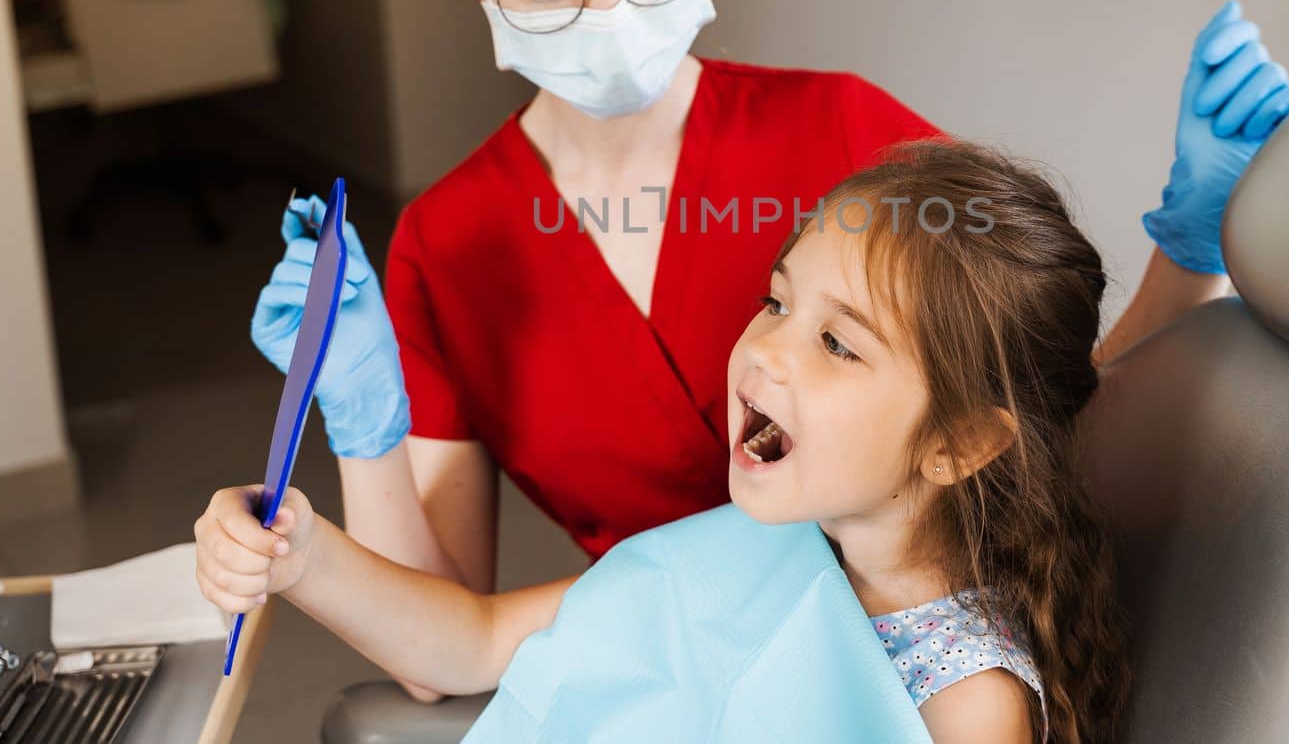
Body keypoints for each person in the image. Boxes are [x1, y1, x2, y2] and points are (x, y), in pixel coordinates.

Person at [245, 0, 1289, 703]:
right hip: (669, 659)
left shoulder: (847, 141)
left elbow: (1040, 422)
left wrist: (1191, 251)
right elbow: (443, 643)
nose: (607, 12)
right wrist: (363, 426)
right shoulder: (451, 243)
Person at [201, 141, 1128, 742]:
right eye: (776, 299)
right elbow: (473, 642)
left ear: (959, 443)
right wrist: (296, 550)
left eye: (838, 342)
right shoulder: (754, 546)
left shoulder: (968, 703)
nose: (764, 348)